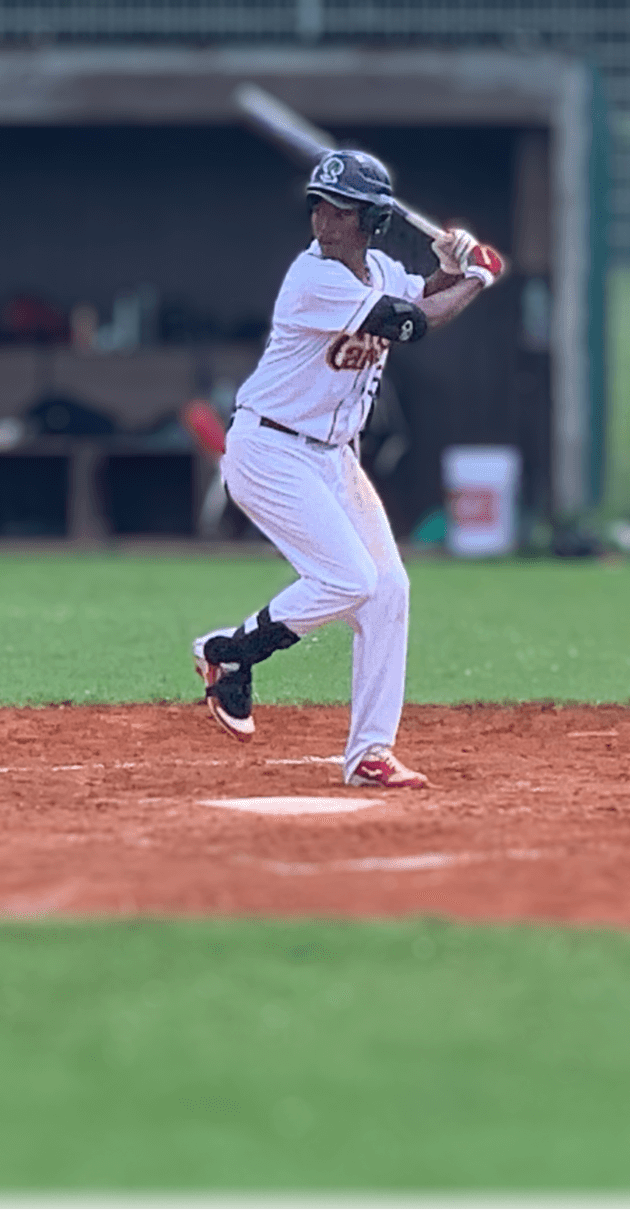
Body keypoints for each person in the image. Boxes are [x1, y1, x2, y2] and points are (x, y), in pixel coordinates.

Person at [191, 149, 504, 789]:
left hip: (333, 458)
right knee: (349, 579)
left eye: (339, 209)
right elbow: (413, 323)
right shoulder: (314, 281)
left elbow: (422, 295)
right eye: (319, 205)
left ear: (373, 221)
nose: (323, 219)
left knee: (388, 592)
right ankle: (231, 653)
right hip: (269, 449)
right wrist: (481, 279)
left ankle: (369, 753)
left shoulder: (382, 269)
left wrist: (455, 265)